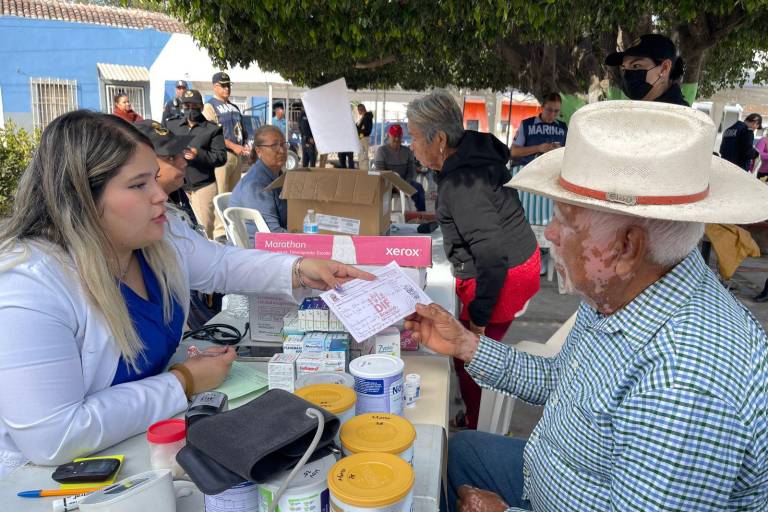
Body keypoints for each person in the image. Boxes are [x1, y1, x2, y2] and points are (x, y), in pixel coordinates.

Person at [406, 100, 768, 511]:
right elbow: (561, 380)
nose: (552, 235)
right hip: (553, 472)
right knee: (455, 450)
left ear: (627, 247)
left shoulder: (687, 380)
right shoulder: (620, 292)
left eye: (566, 221)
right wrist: (468, 346)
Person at [0, 110, 372, 477]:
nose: (160, 195)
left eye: (155, 179)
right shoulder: (30, 288)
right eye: (138, 185)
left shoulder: (159, 239)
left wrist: (299, 267)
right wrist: (183, 381)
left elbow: (222, 265)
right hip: (53, 480)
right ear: (80, 196)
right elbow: (55, 436)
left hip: (145, 448)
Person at [406, 91, 540, 431]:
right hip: (516, 262)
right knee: (471, 348)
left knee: (471, 357)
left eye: (414, 137)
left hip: (502, 274)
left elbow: (492, 254)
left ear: (438, 139)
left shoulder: (462, 184)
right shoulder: (470, 158)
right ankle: (475, 412)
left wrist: (478, 320)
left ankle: (478, 425)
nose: (411, 145)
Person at [168, 89, 227, 239]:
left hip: (202, 186)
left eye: (193, 106)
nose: (190, 109)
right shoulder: (173, 126)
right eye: (186, 105)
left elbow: (221, 157)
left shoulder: (212, 129)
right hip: (178, 186)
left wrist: (198, 154)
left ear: (201, 107)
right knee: (178, 229)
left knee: (203, 229)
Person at [510, 92, 567, 229]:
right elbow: (513, 152)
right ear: (542, 107)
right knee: (525, 217)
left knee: (549, 219)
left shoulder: (563, 128)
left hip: (552, 179)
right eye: (549, 110)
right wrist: (539, 148)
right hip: (528, 177)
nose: (552, 115)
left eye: (556, 111)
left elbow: (569, 153)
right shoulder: (527, 125)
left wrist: (559, 151)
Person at [203, 72, 249, 238]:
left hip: (237, 155)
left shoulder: (235, 107)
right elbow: (213, 133)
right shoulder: (210, 106)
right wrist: (233, 146)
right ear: (215, 86)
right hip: (222, 155)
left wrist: (245, 146)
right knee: (221, 193)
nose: (227, 88)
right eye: (223, 85)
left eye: (228, 85)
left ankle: (233, 228)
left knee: (234, 195)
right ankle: (220, 232)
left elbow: (242, 130)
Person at [230, 126, 289, 241]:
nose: (282, 150)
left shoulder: (277, 175)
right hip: (256, 250)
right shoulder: (256, 184)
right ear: (258, 151)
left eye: (283, 144)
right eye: (274, 146)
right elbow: (272, 233)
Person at [604, 33, 689, 106]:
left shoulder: (681, 117)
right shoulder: (639, 111)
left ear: (664, 68)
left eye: (636, 66)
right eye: (624, 68)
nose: (627, 75)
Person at [373, 124, 426, 212]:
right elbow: (380, 172)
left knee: (419, 188)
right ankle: (381, 216)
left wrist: (405, 184)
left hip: (404, 182)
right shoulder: (381, 151)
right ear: (388, 135)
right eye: (394, 136)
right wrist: (395, 185)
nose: (397, 139)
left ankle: (421, 215)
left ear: (402, 136)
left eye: (399, 136)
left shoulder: (407, 151)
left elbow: (411, 171)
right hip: (387, 183)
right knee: (382, 194)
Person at [356, 104, 374, 171]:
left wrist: (358, 131)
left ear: (361, 109)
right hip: (362, 138)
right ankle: (362, 170)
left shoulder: (367, 117)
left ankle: (364, 171)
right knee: (361, 156)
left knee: (363, 156)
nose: (358, 112)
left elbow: (366, 130)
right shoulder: (364, 117)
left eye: (358, 110)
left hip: (364, 138)